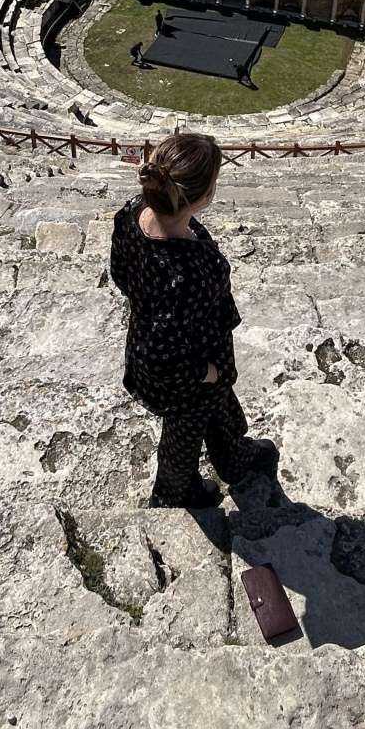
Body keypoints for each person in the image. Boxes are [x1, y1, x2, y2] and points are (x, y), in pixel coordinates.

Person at [109, 132, 277, 508]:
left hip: (157, 344)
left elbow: (119, 273)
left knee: (221, 407)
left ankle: (233, 456)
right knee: (184, 431)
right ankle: (174, 491)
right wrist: (207, 371)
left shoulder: (131, 214)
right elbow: (164, 353)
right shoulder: (184, 273)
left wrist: (146, 301)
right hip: (188, 372)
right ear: (201, 198)